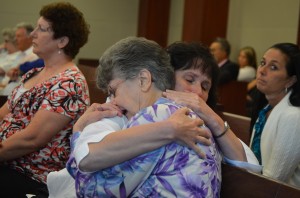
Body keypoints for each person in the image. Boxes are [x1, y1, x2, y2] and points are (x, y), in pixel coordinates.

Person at [66, 37, 223, 197]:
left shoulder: (155, 116)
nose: (113, 101)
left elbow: (92, 191)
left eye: (114, 91)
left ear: (143, 80)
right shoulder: (183, 114)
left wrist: (78, 131)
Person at [0, 2, 90, 197]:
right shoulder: (33, 73)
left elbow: (31, 139)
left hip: (28, 174)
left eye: (41, 29)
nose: (33, 34)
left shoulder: (70, 83)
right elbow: (3, 113)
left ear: (62, 41)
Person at [250, 43, 300, 188]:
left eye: (273, 67)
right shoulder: (266, 110)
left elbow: (273, 183)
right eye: (262, 63)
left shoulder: (294, 117)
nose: (262, 71)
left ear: (291, 80)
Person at [1, 22, 39, 93]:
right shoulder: (20, 54)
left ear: (30, 38)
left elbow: (21, 81)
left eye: (18, 36)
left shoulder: (34, 55)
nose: (15, 39)